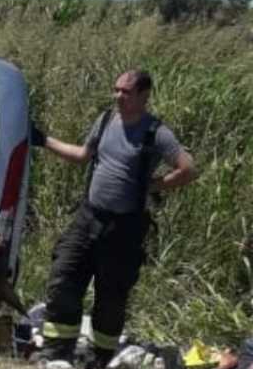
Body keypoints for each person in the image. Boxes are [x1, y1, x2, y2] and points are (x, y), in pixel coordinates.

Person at [30, 69, 198, 368]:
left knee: (111, 297)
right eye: (116, 89)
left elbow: (188, 169)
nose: (118, 96)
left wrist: (155, 185)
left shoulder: (156, 133)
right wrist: (43, 140)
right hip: (88, 218)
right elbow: (82, 155)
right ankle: (56, 353)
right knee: (64, 277)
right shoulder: (106, 120)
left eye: (126, 92)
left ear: (144, 97)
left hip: (123, 229)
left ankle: (99, 358)